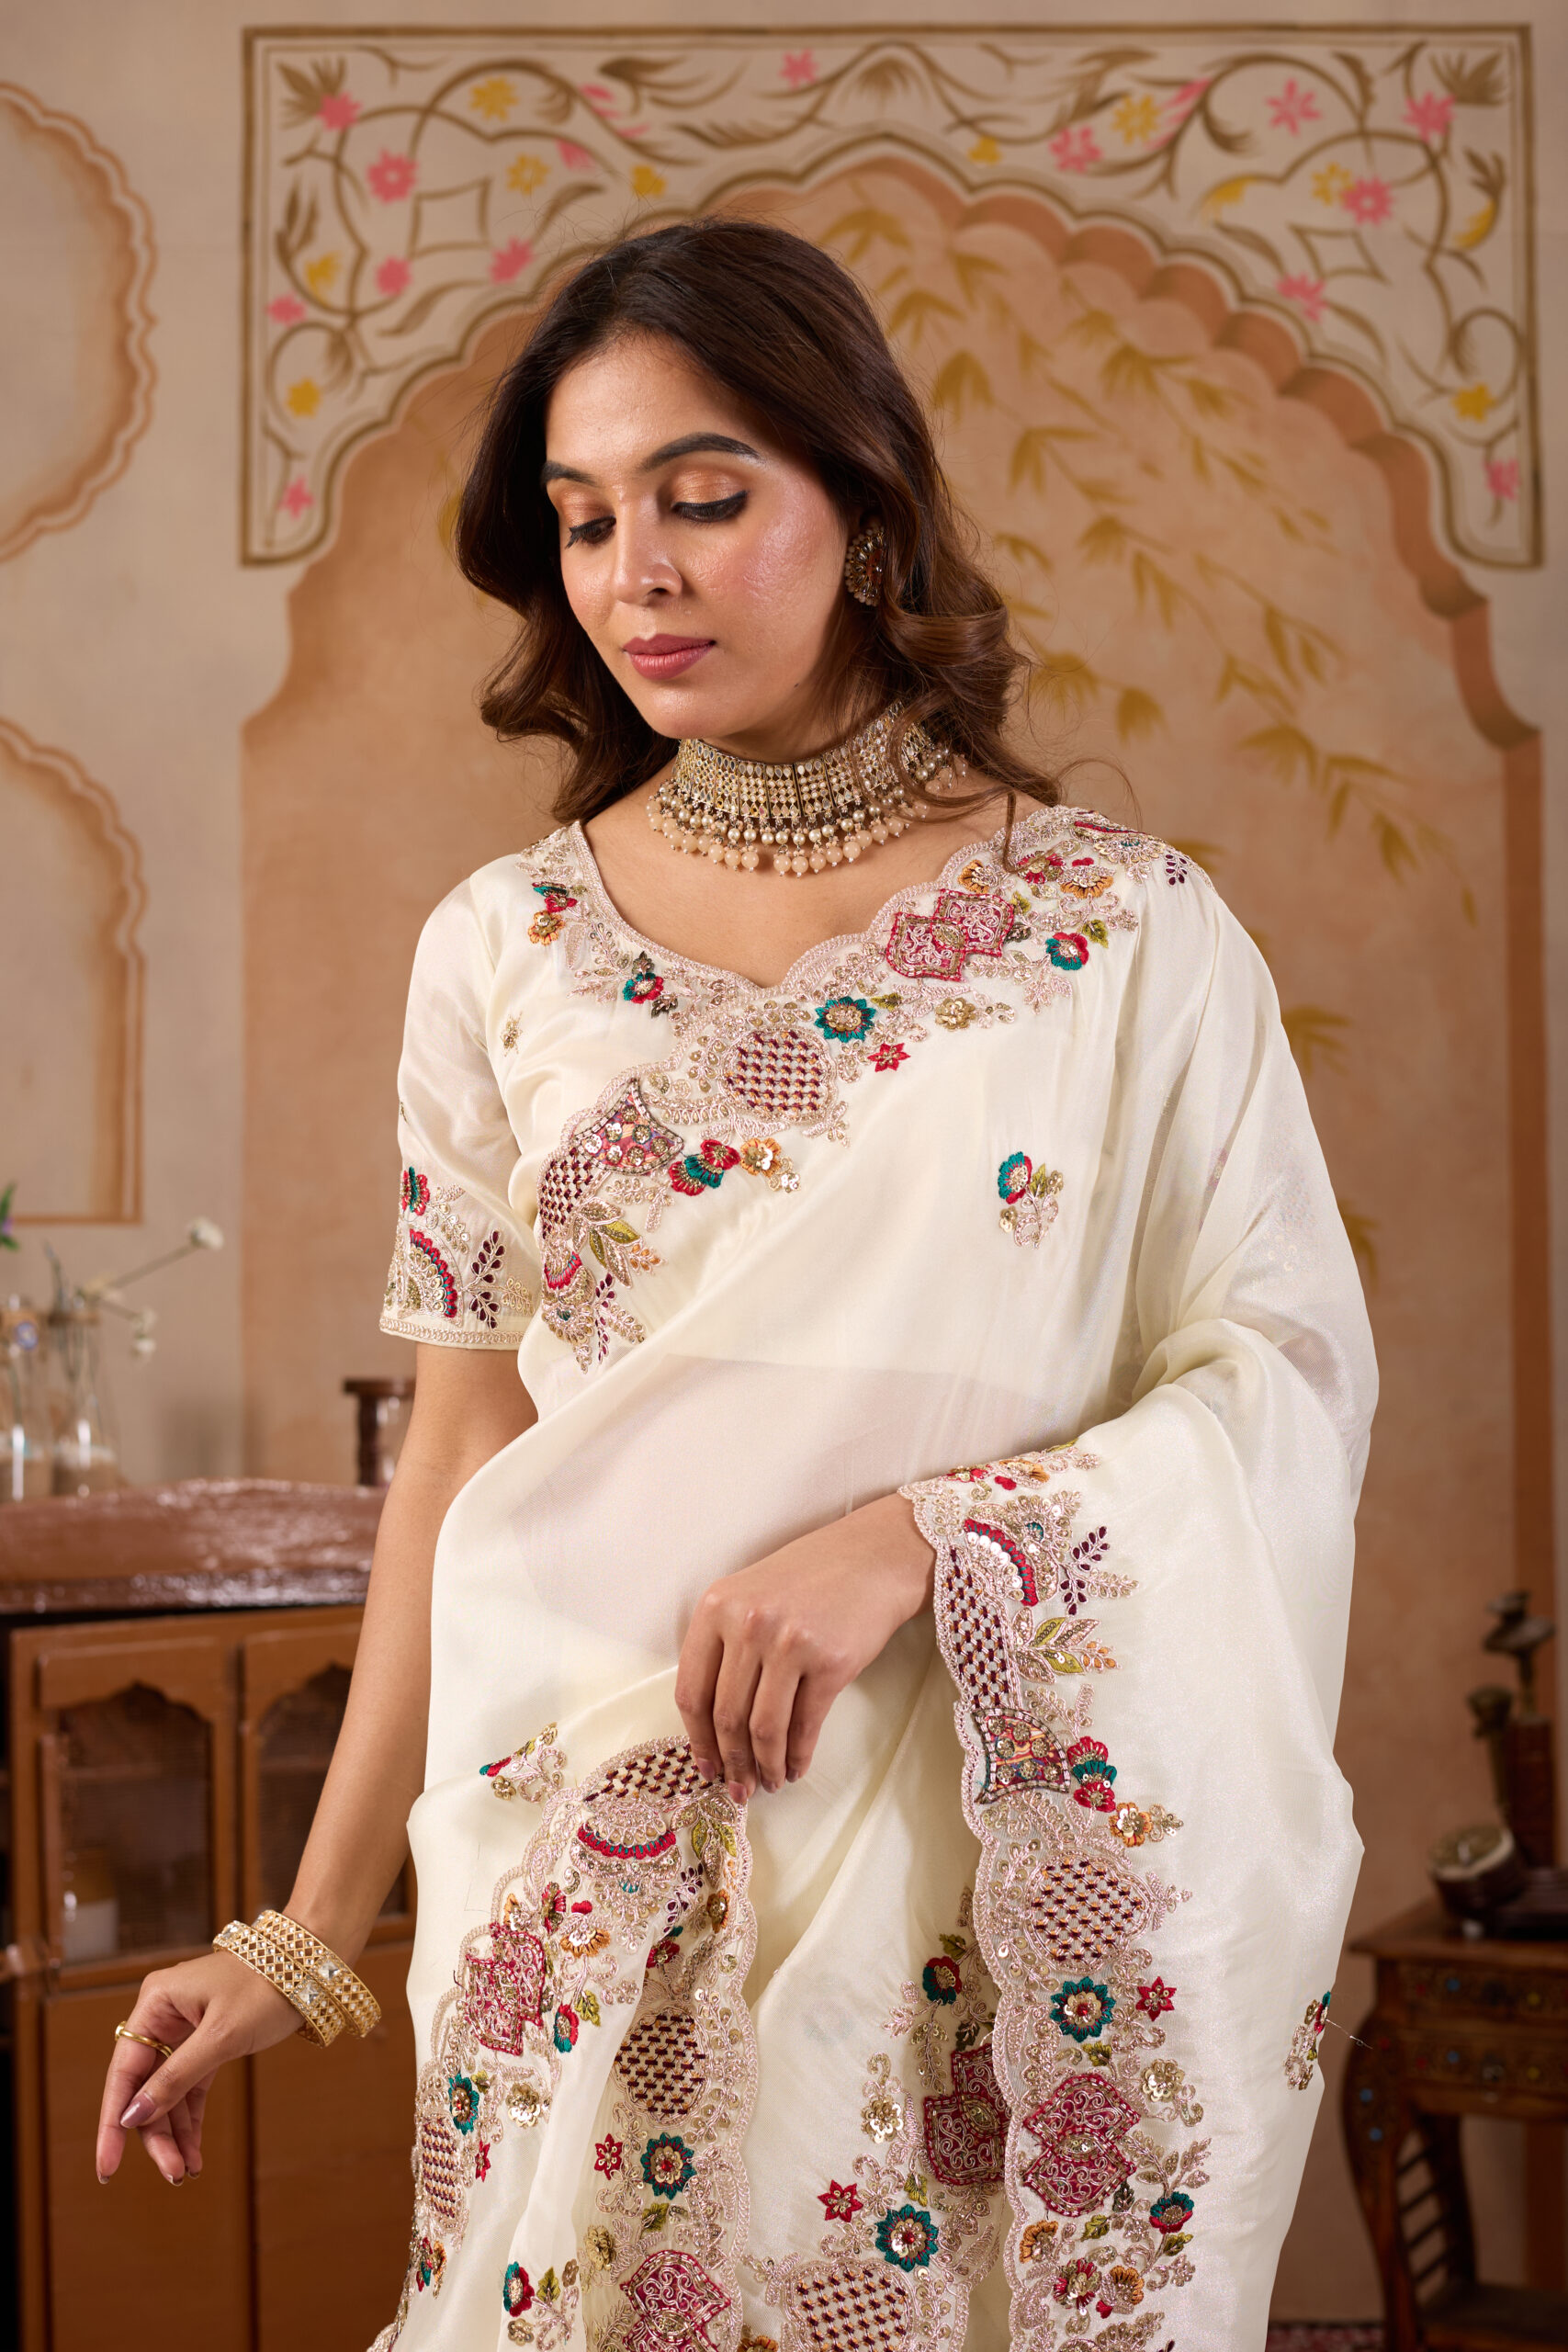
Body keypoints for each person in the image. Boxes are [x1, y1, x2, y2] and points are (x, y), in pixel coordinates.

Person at [98, 217, 1374, 2350]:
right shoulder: (500, 942)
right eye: (585, 517)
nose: (636, 574)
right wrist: (307, 1928)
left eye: (701, 496)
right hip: (575, 1849)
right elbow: (464, 1442)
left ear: (862, 513)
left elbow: (1279, 1376)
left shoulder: (1123, 935)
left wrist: (922, 1539)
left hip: (961, 1849)